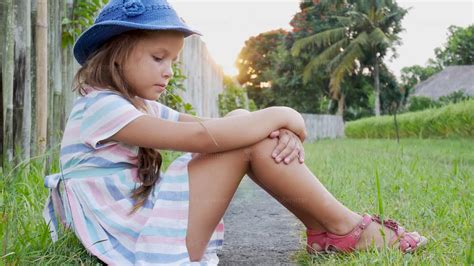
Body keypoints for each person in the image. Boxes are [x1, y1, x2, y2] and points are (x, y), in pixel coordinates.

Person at [42, 0, 427, 265]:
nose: (168, 71)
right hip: (140, 247)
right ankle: (345, 230)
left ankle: (334, 230)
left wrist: (272, 125)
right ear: (115, 54)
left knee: (242, 121)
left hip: (145, 235)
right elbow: (203, 138)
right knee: (240, 133)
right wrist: (284, 114)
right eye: (158, 57)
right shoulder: (100, 106)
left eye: (173, 61)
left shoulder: (139, 106)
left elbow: (221, 128)